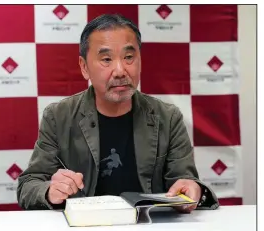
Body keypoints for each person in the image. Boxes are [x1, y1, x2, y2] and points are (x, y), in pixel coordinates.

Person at [17, 14, 219, 212]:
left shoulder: (167, 117)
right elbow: (28, 186)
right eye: (106, 59)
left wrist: (192, 189)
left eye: (129, 57)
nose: (120, 70)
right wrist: (49, 191)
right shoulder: (58, 116)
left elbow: (186, 182)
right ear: (84, 67)